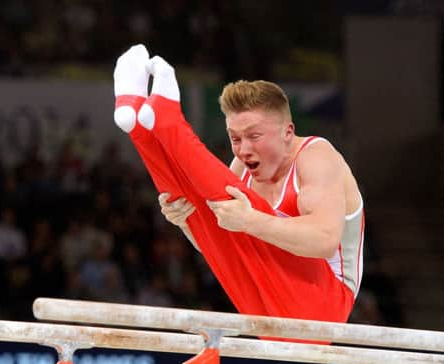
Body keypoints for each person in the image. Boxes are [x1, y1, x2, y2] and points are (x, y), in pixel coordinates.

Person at [112, 44, 364, 329]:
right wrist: (186, 223)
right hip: (262, 307)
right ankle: (139, 127)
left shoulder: (317, 157)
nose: (243, 150)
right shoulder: (243, 167)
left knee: (234, 207)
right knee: (195, 203)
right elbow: (224, 249)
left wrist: (250, 220)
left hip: (326, 305)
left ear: (287, 132)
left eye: (254, 136)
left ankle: (169, 121)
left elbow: (324, 242)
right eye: (235, 138)